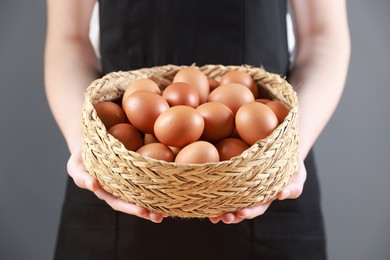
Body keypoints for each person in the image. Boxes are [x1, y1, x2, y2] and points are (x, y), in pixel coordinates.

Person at [44, 0, 350, 259]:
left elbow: (322, 36)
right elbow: (69, 41)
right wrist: (88, 145)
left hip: (262, 176)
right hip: (119, 172)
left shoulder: (257, 140)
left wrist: (289, 150)